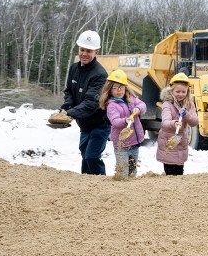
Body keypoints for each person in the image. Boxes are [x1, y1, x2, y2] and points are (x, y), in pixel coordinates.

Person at [61, 30, 111, 175]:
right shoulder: (74, 68)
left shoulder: (100, 74)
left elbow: (91, 103)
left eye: (88, 51)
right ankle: (85, 187)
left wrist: (69, 114)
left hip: (100, 124)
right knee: (85, 156)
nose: (84, 53)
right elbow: (69, 91)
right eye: (82, 49)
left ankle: (101, 185)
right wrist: (65, 107)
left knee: (92, 157)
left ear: (96, 52)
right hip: (84, 124)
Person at [100, 69, 147, 178]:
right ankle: (120, 191)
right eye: (115, 88)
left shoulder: (131, 98)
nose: (119, 91)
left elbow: (143, 105)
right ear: (110, 90)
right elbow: (115, 122)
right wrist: (125, 120)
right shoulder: (111, 105)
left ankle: (131, 192)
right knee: (123, 171)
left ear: (125, 88)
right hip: (122, 145)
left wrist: (138, 108)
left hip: (135, 142)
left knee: (132, 171)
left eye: (121, 87)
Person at [156, 73, 199, 175]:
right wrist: (174, 123)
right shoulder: (167, 104)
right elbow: (165, 123)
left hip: (181, 143)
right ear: (171, 91)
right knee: (170, 174)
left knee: (180, 174)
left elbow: (194, 122)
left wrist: (186, 114)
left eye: (183, 92)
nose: (181, 94)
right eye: (177, 91)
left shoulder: (189, 104)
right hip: (169, 143)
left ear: (187, 91)